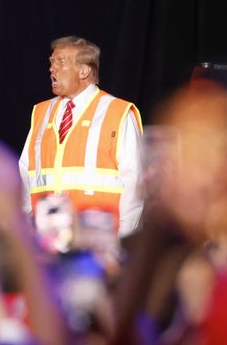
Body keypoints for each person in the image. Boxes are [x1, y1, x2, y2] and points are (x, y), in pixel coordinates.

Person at [18, 36, 143, 237]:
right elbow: (26, 177)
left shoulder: (117, 113)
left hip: (96, 242)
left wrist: (122, 242)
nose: (52, 69)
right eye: (51, 63)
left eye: (60, 62)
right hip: (46, 241)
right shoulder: (41, 113)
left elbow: (134, 183)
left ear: (84, 70)